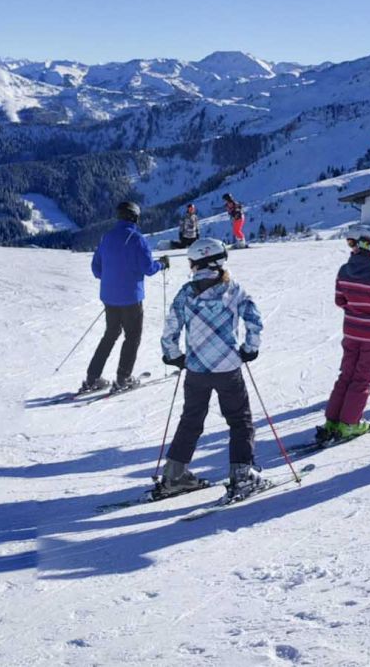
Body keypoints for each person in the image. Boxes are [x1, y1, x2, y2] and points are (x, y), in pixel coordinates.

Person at [156, 237, 265, 500]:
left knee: (191, 420)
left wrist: (174, 356)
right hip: (228, 368)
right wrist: (250, 348)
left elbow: (171, 326)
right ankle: (242, 476)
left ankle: (174, 475)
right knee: (240, 420)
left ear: (198, 264)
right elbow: (254, 320)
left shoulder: (186, 293)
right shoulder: (234, 290)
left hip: (196, 370)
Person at [318, 224, 370, 442]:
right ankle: (349, 424)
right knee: (362, 378)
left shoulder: (344, 270)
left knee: (346, 374)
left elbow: (340, 300)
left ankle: (332, 420)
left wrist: (356, 309)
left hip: (352, 331)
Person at [83, 201, 170, 396]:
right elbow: (148, 269)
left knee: (110, 334)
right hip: (131, 298)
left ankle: (92, 378)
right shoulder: (137, 239)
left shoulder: (107, 237)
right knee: (132, 337)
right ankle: (123, 378)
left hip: (109, 297)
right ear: (135, 217)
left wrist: (111, 278)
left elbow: (97, 268)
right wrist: (162, 265)